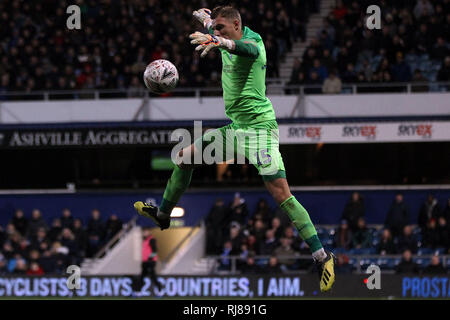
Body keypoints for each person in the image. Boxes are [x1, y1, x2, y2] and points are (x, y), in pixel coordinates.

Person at [134, 5, 336, 292]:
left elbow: (244, 49)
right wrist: (204, 18)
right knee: (184, 157)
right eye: (214, 29)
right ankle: (164, 215)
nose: (215, 32)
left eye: (221, 28)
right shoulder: (221, 33)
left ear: (237, 25)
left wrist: (220, 41)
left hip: (260, 130)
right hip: (235, 128)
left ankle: (322, 256)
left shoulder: (253, 44)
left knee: (281, 194)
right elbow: (218, 32)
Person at [135, 228, 162, 294]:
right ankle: (138, 291)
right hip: (145, 262)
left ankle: (160, 290)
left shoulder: (151, 239)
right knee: (142, 276)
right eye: (144, 232)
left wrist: (150, 259)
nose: (144, 233)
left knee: (152, 277)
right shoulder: (145, 240)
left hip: (150, 262)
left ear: (149, 232)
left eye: (146, 232)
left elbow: (155, 251)